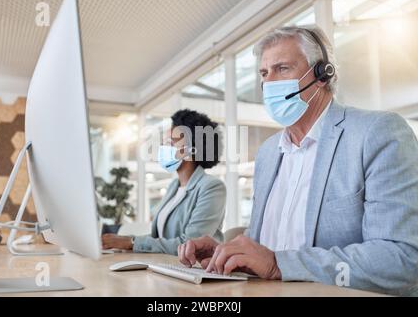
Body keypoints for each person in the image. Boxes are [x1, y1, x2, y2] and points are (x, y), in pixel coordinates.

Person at [178, 26, 418, 296]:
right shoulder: (269, 153)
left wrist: (280, 265)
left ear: (321, 75)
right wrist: (228, 250)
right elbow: (270, 242)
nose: (269, 83)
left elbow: (401, 259)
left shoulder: (377, 133)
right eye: (264, 73)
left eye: (282, 69)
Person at [102, 109, 226, 255]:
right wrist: (124, 241)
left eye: (170, 142)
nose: (163, 148)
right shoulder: (174, 186)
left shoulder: (211, 187)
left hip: (195, 269)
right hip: (165, 266)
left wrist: (132, 243)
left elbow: (190, 245)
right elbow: (161, 239)